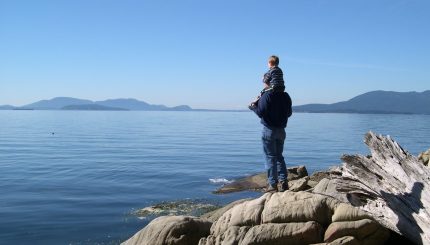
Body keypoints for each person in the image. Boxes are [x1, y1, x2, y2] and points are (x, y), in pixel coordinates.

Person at [249, 76, 292, 192]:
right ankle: (284, 183)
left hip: (269, 130)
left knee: (270, 157)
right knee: (279, 156)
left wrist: (253, 106)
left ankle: (272, 185)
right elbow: (289, 113)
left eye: (263, 81)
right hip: (281, 130)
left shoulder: (266, 95)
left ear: (266, 82)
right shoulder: (286, 96)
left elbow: (260, 112)